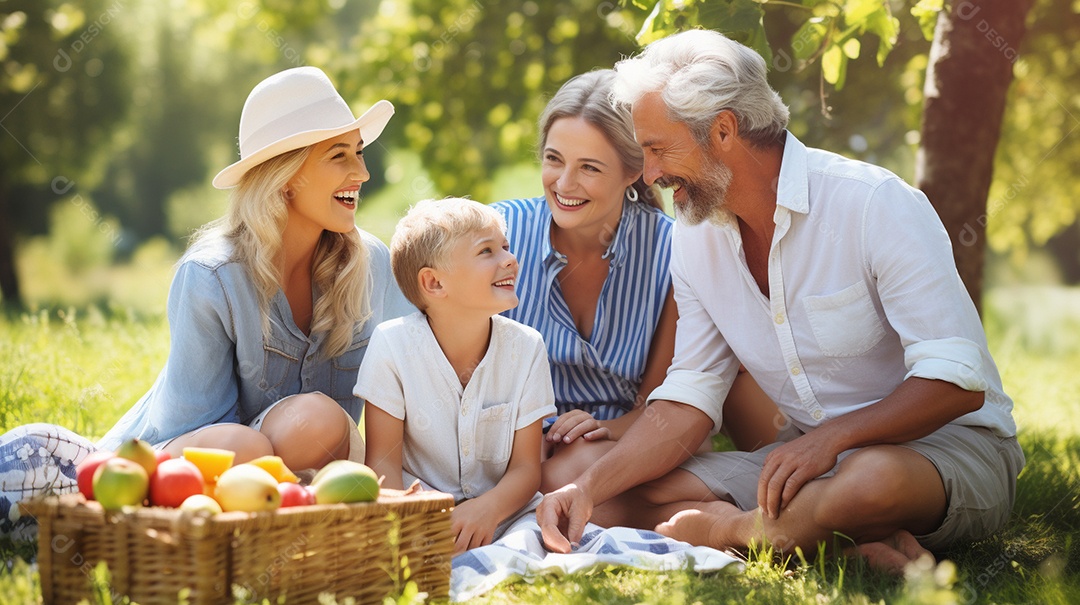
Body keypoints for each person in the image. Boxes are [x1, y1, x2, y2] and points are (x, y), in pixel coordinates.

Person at [536, 29, 1024, 574]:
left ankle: (725, 530)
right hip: (803, 464)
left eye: (658, 149)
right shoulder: (697, 236)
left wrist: (834, 439)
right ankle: (832, 542)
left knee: (870, 480)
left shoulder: (872, 204)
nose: (650, 175)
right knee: (596, 496)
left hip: (942, 450)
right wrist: (587, 486)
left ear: (723, 129)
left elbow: (957, 383)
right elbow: (691, 395)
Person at [0, 66, 411, 535]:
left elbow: (403, 385)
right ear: (286, 174)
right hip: (185, 461)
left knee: (316, 422)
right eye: (340, 156)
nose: (362, 171)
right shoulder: (211, 275)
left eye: (359, 152)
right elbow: (203, 431)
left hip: (311, 470)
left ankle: (278, 530)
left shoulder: (372, 263)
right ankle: (99, 505)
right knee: (267, 438)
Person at [494, 70, 781, 493]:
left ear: (634, 171)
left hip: (626, 434)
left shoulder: (673, 247)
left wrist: (602, 428)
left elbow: (658, 401)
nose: (565, 184)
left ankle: (796, 497)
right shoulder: (500, 235)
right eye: (554, 159)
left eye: (589, 167)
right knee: (557, 474)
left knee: (569, 473)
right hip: (514, 437)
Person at [356, 198, 557, 553]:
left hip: (504, 514)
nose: (510, 259)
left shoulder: (527, 348)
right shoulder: (391, 345)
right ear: (434, 283)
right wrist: (422, 522)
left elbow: (527, 468)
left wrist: (488, 509)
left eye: (506, 247)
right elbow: (383, 464)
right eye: (487, 251)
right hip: (417, 513)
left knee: (527, 548)